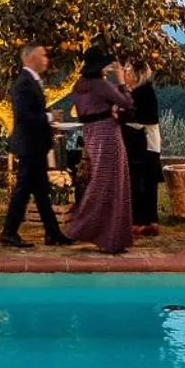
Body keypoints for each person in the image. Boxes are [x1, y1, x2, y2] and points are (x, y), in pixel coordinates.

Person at [66, 49, 134, 254]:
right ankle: (98, 233)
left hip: (90, 134)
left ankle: (98, 232)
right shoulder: (101, 85)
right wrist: (121, 81)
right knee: (112, 182)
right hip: (108, 133)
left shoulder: (79, 86)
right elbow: (126, 103)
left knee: (101, 179)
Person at [0, 45, 69, 249]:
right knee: (24, 190)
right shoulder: (24, 83)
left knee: (40, 191)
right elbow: (23, 116)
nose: (46, 59)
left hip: (35, 145)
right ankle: (9, 232)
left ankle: (52, 232)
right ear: (30, 58)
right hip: (29, 145)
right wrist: (49, 117)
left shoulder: (32, 81)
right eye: (42, 55)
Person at [121, 55, 163, 236]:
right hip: (149, 143)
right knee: (148, 182)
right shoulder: (146, 91)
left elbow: (134, 115)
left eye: (128, 72)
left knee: (139, 182)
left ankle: (139, 220)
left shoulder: (141, 93)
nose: (126, 75)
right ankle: (151, 219)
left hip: (142, 143)